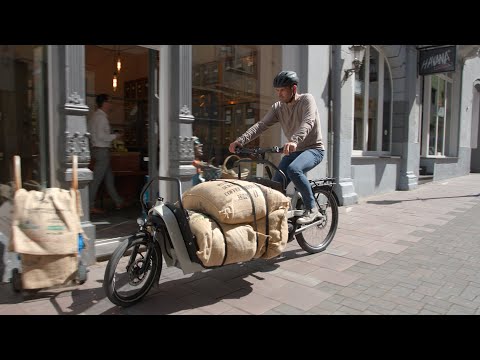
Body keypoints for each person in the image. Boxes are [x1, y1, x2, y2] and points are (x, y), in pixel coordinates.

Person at [228, 70, 325, 225]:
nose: (279, 94)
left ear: (293, 89)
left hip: (313, 149)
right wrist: (241, 140)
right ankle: (282, 221)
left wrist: (294, 140)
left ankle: (313, 209)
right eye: (277, 91)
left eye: (282, 91)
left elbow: (308, 121)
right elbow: (261, 125)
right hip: (294, 151)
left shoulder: (307, 100)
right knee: (275, 186)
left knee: (294, 169)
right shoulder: (278, 107)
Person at [88, 94, 125, 214]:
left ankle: (118, 201)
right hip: (102, 151)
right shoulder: (101, 118)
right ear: (104, 103)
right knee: (96, 180)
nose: (111, 104)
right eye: (109, 101)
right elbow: (101, 136)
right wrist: (116, 136)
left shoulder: (95, 116)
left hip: (99, 150)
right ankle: (88, 205)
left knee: (109, 178)